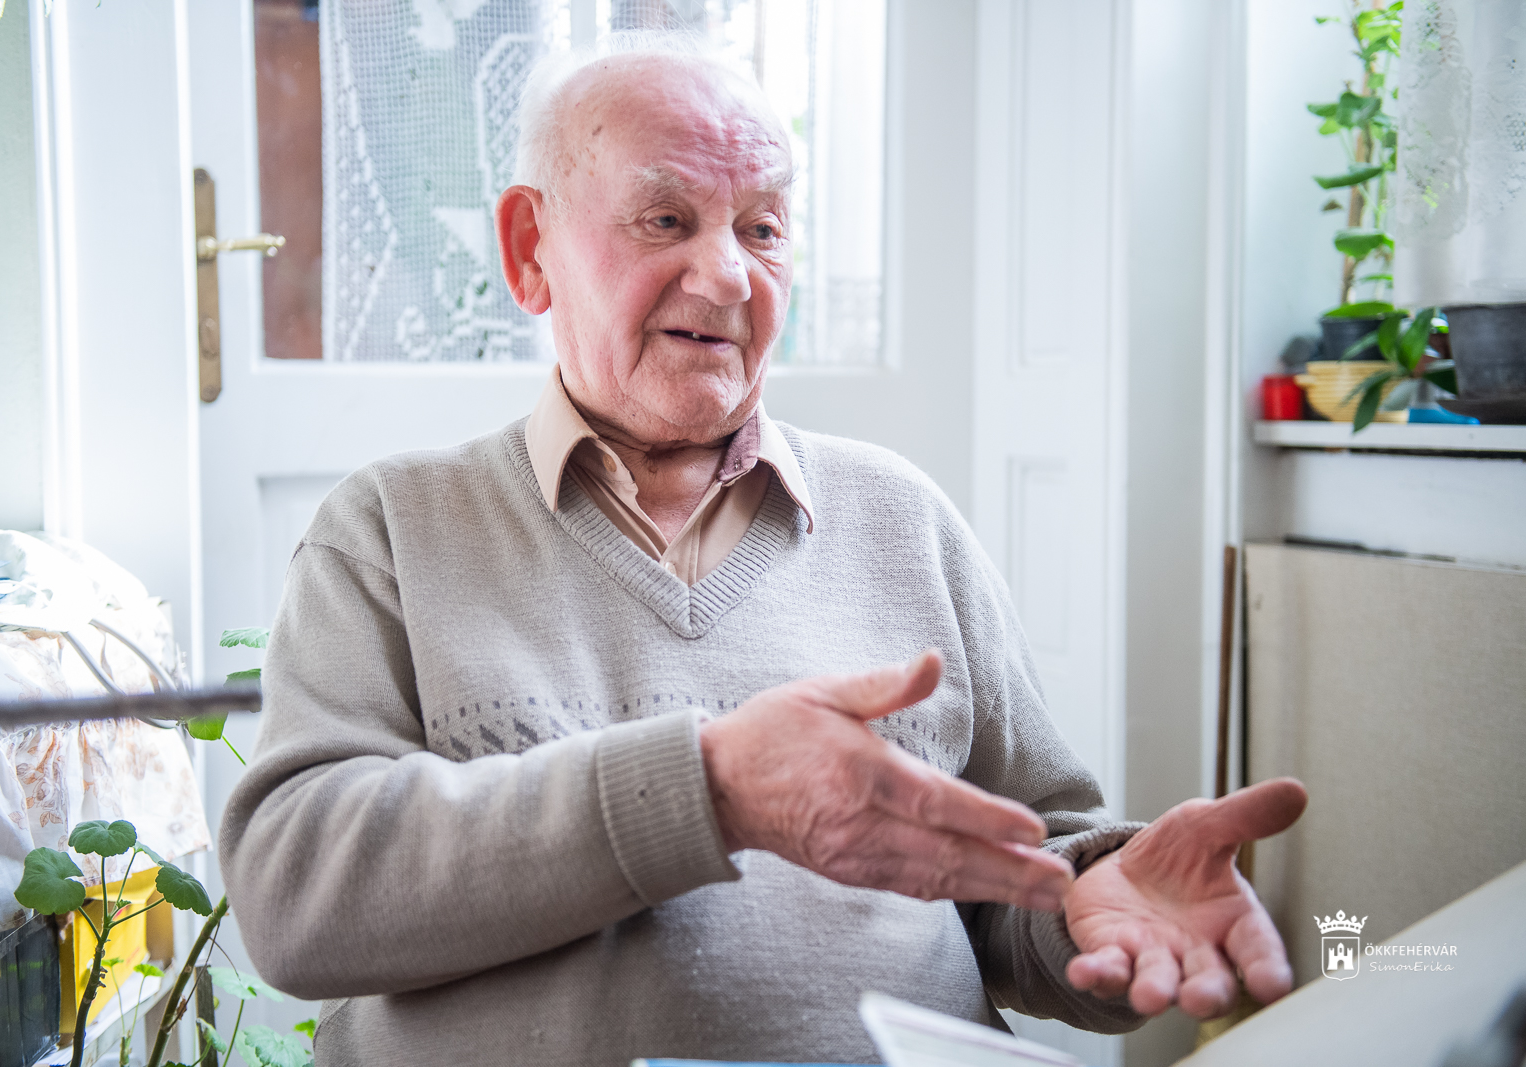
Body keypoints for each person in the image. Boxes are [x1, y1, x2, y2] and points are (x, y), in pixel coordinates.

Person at [221, 34, 1307, 1066]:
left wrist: (1087, 902)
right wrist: (707, 788)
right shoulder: (394, 530)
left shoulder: (902, 519)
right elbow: (297, 891)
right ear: (528, 248)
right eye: (664, 218)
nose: (730, 275)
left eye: (764, 227)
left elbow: (1016, 870)